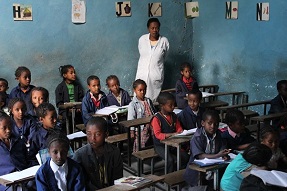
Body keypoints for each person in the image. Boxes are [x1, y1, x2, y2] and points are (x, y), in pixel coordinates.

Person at [73, 117, 123, 190]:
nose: (92, 138)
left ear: (106, 135)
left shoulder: (114, 152)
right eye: (89, 134)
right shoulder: (80, 155)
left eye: (97, 134)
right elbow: (79, 183)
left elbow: (118, 179)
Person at [183, 110, 230, 187]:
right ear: (203, 123)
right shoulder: (197, 137)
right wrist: (217, 155)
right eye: (210, 123)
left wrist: (224, 154)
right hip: (196, 173)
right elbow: (200, 155)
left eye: (216, 124)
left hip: (213, 172)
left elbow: (223, 146)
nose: (213, 126)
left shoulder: (219, 134)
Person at [151, 92, 189, 173]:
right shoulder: (156, 118)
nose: (173, 107)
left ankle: (177, 173)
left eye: (174, 104)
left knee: (185, 157)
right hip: (160, 145)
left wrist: (180, 132)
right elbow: (158, 135)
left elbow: (179, 128)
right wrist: (172, 134)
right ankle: (168, 181)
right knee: (170, 160)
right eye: (170, 105)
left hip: (172, 143)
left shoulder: (174, 116)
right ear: (162, 106)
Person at [135, 18, 169, 102]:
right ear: (148, 29)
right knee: (139, 101)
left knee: (152, 102)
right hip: (142, 74)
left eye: (156, 28)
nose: (154, 30)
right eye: (152, 28)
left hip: (155, 76)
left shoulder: (164, 41)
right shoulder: (142, 39)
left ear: (159, 28)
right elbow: (142, 54)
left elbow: (164, 57)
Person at [0, 111, 29, 191]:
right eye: (4, 128)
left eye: (10, 126)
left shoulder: (18, 141)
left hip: (23, 179)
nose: (8, 130)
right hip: (4, 184)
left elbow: (26, 159)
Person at [128, 79, 156, 152]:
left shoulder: (148, 100)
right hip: (141, 127)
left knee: (156, 137)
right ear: (134, 90)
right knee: (140, 141)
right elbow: (131, 119)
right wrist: (132, 131)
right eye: (140, 90)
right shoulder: (133, 104)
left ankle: (155, 151)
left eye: (144, 90)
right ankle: (138, 154)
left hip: (152, 124)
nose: (142, 92)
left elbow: (153, 111)